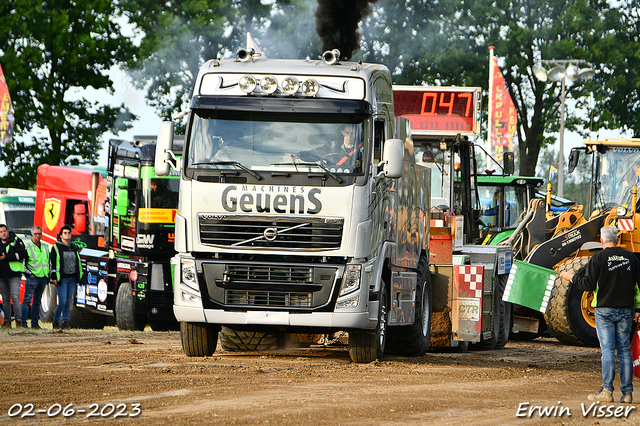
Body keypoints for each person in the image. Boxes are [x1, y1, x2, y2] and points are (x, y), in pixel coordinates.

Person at [560, 226, 640, 404]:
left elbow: (587, 284)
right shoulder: (631, 258)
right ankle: (627, 394)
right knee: (625, 350)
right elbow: (638, 286)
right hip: (626, 310)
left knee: (608, 351)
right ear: (618, 240)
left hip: (604, 311)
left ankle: (607, 390)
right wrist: (639, 309)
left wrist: (571, 277)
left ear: (602, 241)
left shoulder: (598, 258)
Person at [50, 225, 83, 330]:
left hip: (72, 278)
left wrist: (79, 276)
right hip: (62, 279)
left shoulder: (74, 247)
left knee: (68, 301)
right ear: (61, 235)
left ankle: (65, 322)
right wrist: (54, 277)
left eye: (69, 232)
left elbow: (78, 263)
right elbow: (53, 263)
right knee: (62, 301)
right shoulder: (56, 247)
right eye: (65, 233)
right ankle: (55, 321)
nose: (67, 234)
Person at [293, 124, 363, 172]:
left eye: (352, 133)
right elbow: (316, 153)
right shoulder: (332, 146)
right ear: (343, 133)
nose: (349, 136)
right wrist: (301, 155)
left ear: (356, 134)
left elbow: (367, 165)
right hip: (330, 177)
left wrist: (359, 164)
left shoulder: (361, 149)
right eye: (347, 133)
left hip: (351, 179)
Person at [22, 226, 50, 329]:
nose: (38, 236)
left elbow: (48, 262)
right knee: (27, 300)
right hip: (33, 277)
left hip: (43, 278)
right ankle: (24, 323)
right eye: (36, 234)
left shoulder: (45, 246)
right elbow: (23, 264)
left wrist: (48, 275)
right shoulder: (27, 246)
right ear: (32, 234)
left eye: (39, 234)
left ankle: (34, 324)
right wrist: (29, 274)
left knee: (37, 301)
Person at [0, 224, 26, 328]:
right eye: (1, 232)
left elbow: (23, 254)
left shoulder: (16, 241)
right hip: (1, 275)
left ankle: (19, 321)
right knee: (5, 299)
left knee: (15, 297)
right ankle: (7, 322)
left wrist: (7, 257)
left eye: (4, 231)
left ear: (8, 231)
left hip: (14, 274)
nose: (3, 233)